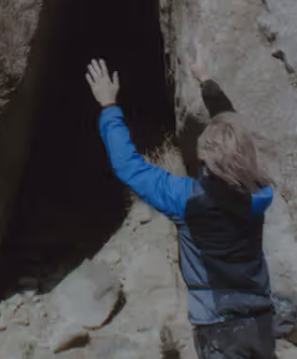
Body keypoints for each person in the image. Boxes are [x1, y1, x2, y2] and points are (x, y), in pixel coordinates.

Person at [85, 54, 275, 359]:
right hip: (261, 320)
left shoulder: (187, 200)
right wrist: (206, 81)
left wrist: (108, 106)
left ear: (205, 158)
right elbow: (233, 130)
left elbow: (129, 167)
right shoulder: (259, 192)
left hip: (218, 327)